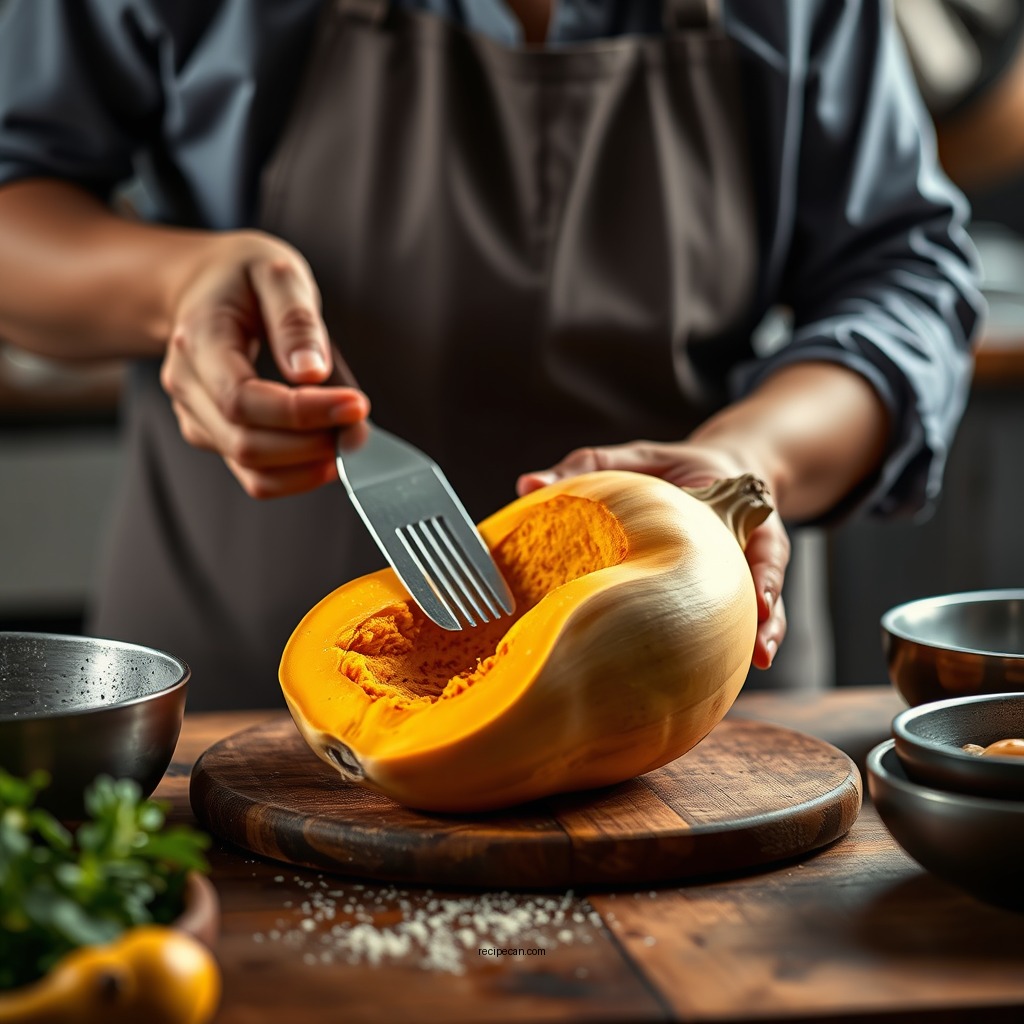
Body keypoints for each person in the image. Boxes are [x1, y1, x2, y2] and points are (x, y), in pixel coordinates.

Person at [0, 0, 982, 710]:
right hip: (231, 705)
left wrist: (748, 463)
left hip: (686, 727)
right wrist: (174, 283)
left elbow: (904, 279)